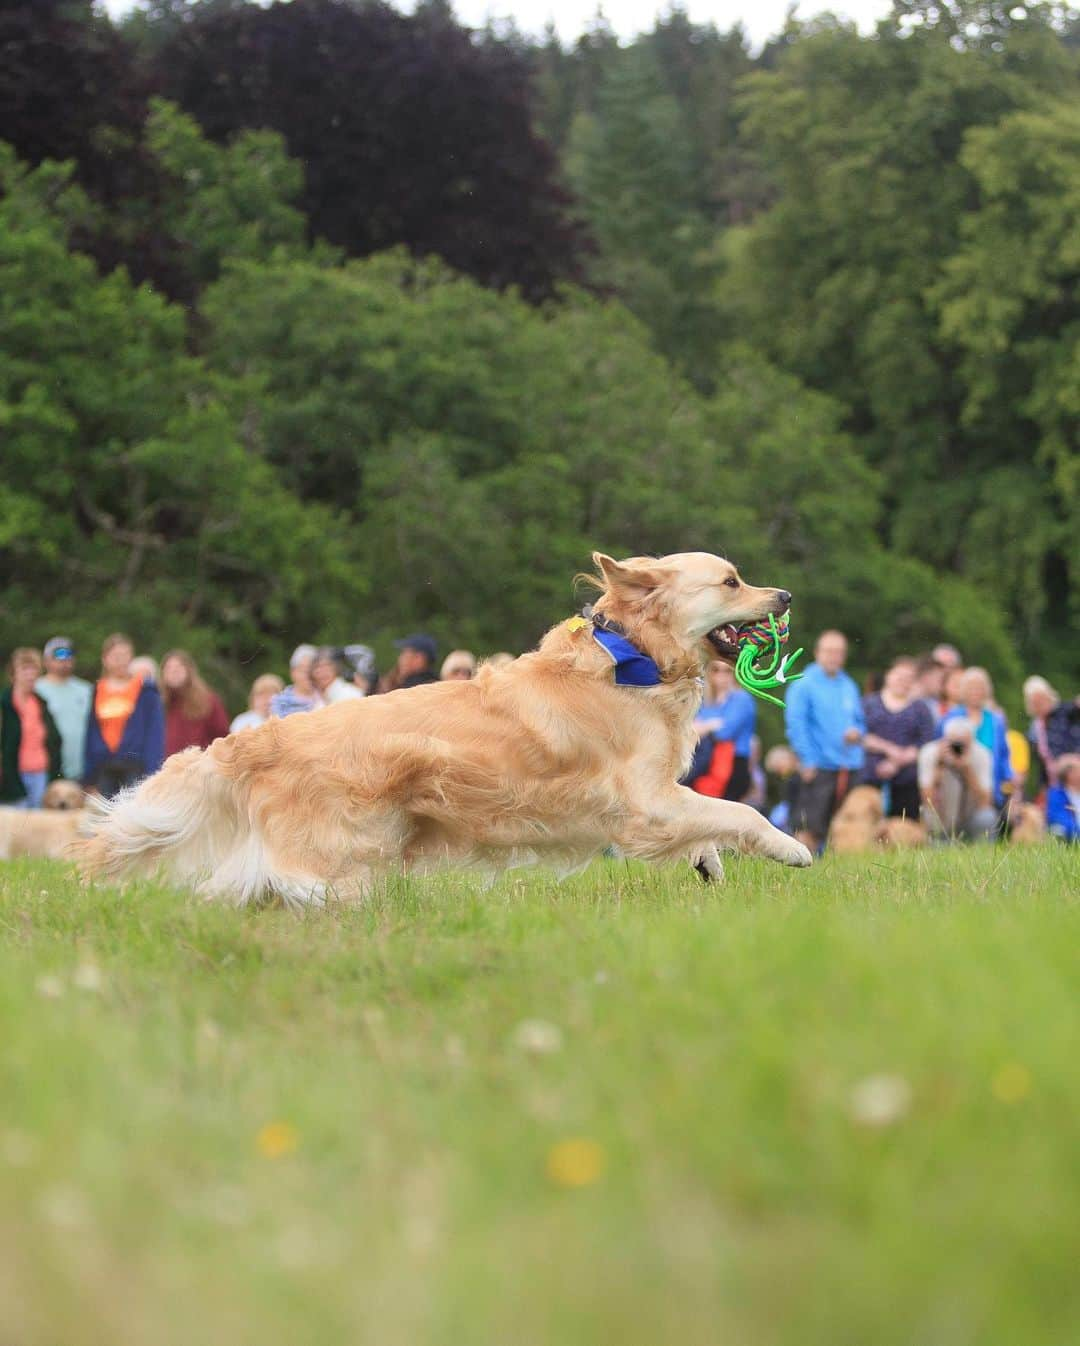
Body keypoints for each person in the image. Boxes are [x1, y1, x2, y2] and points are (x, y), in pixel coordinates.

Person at [784, 629, 865, 852]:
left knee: (839, 827)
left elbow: (859, 721)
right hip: (817, 766)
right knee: (809, 826)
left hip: (848, 765)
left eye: (839, 652)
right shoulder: (803, 684)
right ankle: (802, 870)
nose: (834, 657)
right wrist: (807, 760)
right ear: (818, 652)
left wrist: (856, 731)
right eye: (829, 651)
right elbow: (796, 725)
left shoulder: (848, 685)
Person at [84, 633, 165, 798]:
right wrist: (89, 776)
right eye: (115, 656)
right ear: (105, 659)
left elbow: (155, 734)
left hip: (135, 766)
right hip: (104, 767)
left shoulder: (146, 689)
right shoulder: (97, 690)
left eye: (124, 655)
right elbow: (91, 733)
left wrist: (152, 772)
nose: (120, 660)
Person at [859, 656, 935, 820]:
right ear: (888, 676)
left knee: (903, 823)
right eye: (899, 676)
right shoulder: (868, 703)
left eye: (909, 678)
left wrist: (896, 762)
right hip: (870, 776)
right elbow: (859, 735)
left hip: (907, 779)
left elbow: (926, 743)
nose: (903, 682)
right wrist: (889, 749)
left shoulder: (921, 709)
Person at [940, 667, 1011, 809]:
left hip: (989, 783)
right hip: (957, 778)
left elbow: (1003, 755)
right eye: (971, 687)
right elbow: (939, 747)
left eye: (979, 688)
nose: (975, 692)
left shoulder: (996, 721)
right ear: (963, 690)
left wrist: (1010, 782)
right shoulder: (951, 717)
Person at [919, 717, 999, 840]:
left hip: (969, 819)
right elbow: (926, 800)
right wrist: (939, 767)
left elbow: (986, 803)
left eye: (962, 745)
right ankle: (937, 844)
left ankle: (982, 850)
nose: (957, 749)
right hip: (943, 820)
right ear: (944, 739)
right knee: (928, 814)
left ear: (972, 742)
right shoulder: (930, 753)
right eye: (953, 743)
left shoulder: (982, 755)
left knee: (987, 817)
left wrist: (967, 771)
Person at [0, 649, 62, 807]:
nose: (30, 674)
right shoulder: (4, 704)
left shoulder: (41, 703)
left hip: (40, 774)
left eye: (34, 669)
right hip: (11, 775)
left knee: (37, 824)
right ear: (13, 673)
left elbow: (54, 740)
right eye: (24, 669)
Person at [688, 660, 756, 799]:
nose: (721, 675)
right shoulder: (704, 700)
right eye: (716, 669)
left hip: (733, 765)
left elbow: (724, 732)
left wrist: (702, 726)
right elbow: (688, 729)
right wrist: (711, 724)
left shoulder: (741, 698)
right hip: (705, 765)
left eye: (727, 670)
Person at [34, 635, 93, 782]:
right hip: (47, 769)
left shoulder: (87, 690)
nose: (64, 660)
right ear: (46, 661)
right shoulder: (36, 689)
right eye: (58, 655)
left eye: (69, 655)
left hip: (81, 770)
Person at [161, 650, 231, 757]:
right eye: (169, 668)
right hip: (167, 768)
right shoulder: (159, 704)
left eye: (178, 667)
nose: (173, 671)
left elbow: (223, 737)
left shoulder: (208, 701)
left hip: (198, 767)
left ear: (188, 670)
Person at [270, 645, 322, 718]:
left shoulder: (326, 695)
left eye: (313, 669)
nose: (309, 675)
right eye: (304, 670)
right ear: (293, 672)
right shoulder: (280, 703)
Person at [1046, 755, 1080, 842]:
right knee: (1057, 830)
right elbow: (1059, 819)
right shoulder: (1057, 794)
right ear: (1070, 774)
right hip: (1070, 837)